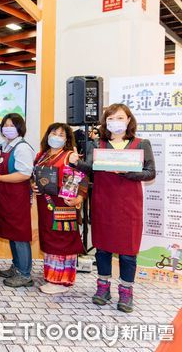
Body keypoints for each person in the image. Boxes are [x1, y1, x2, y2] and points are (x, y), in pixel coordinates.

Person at [70, 103, 155, 313]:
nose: (115, 122)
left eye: (119, 117)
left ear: (128, 120)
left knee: (128, 252)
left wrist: (127, 172)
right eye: (110, 118)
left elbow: (150, 172)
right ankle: (103, 287)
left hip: (129, 206)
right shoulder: (98, 144)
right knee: (103, 247)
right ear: (105, 122)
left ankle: (126, 292)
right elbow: (90, 167)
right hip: (103, 203)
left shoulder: (141, 143)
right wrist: (74, 162)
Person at [31, 123, 87, 295]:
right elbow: (34, 176)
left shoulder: (70, 156)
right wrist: (33, 185)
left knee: (63, 241)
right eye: (53, 133)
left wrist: (79, 197)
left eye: (61, 134)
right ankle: (51, 276)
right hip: (45, 205)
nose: (56, 137)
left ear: (67, 139)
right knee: (49, 238)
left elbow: (83, 178)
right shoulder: (42, 155)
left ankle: (61, 280)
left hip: (64, 205)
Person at [0, 113, 35, 288]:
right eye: (5, 125)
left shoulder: (22, 148)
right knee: (11, 233)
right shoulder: (3, 146)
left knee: (19, 234)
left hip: (17, 196)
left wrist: (0, 178)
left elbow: (24, 174)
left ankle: (25, 274)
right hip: (4, 195)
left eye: (12, 125)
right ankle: (16, 266)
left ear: (20, 128)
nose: (8, 128)